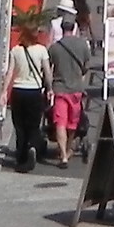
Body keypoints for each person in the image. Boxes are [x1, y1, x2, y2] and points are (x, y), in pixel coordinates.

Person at [47, 19, 95, 164]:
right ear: (74, 28)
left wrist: (48, 87)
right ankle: (68, 148)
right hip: (76, 89)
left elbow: (49, 69)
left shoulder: (55, 48)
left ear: (61, 29)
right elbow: (87, 65)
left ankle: (63, 155)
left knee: (60, 122)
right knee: (72, 123)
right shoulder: (82, 45)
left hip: (60, 89)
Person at [3, 27, 50, 173]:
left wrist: (4, 91)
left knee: (19, 126)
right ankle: (32, 146)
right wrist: (49, 89)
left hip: (18, 91)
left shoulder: (15, 50)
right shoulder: (42, 50)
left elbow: (10, 72)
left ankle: (22, 157)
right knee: (34, 124)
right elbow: (47, 72)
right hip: (34, 91)